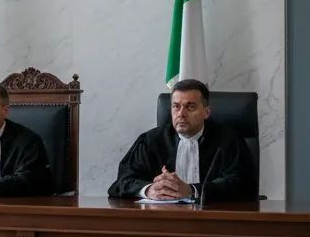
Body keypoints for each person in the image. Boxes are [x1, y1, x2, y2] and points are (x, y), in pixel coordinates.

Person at [107, 79, 256, 202]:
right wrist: (149, 190)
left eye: (190, 107)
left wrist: (192, 190)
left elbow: (243, 185)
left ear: (206, 112)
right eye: (176, 106)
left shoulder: (228, 141)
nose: (181, 114)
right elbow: (121, 183)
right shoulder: (151, 141)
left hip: (213, 221)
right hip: (161, 222)